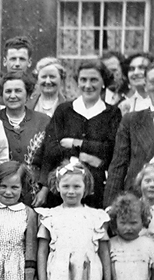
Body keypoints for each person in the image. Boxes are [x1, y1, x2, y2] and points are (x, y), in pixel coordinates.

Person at [41, 60, 122, 208]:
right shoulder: (64, 110)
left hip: (95, 191)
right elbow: (51, 148)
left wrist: (75, 143)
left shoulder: (112, 113)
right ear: (77, 82)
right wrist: (85, 157)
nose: (88, 85)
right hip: (62, 190)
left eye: (94, 80)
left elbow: (110, 149)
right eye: (83, 80)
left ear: (103, 82)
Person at [0, 72, 50, 206]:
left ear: (28, 94)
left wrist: (45, 190)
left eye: (18, 91)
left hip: (35, 196)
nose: (12, 96)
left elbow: (50, 159)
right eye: (8, 91)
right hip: (1, 194)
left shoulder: (43, 121)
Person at [104, 63, 154, 206]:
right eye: (153, 81)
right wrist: (110, 208)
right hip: (136, 203)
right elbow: (118, 167)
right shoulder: (132, 120)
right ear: (145, 85)